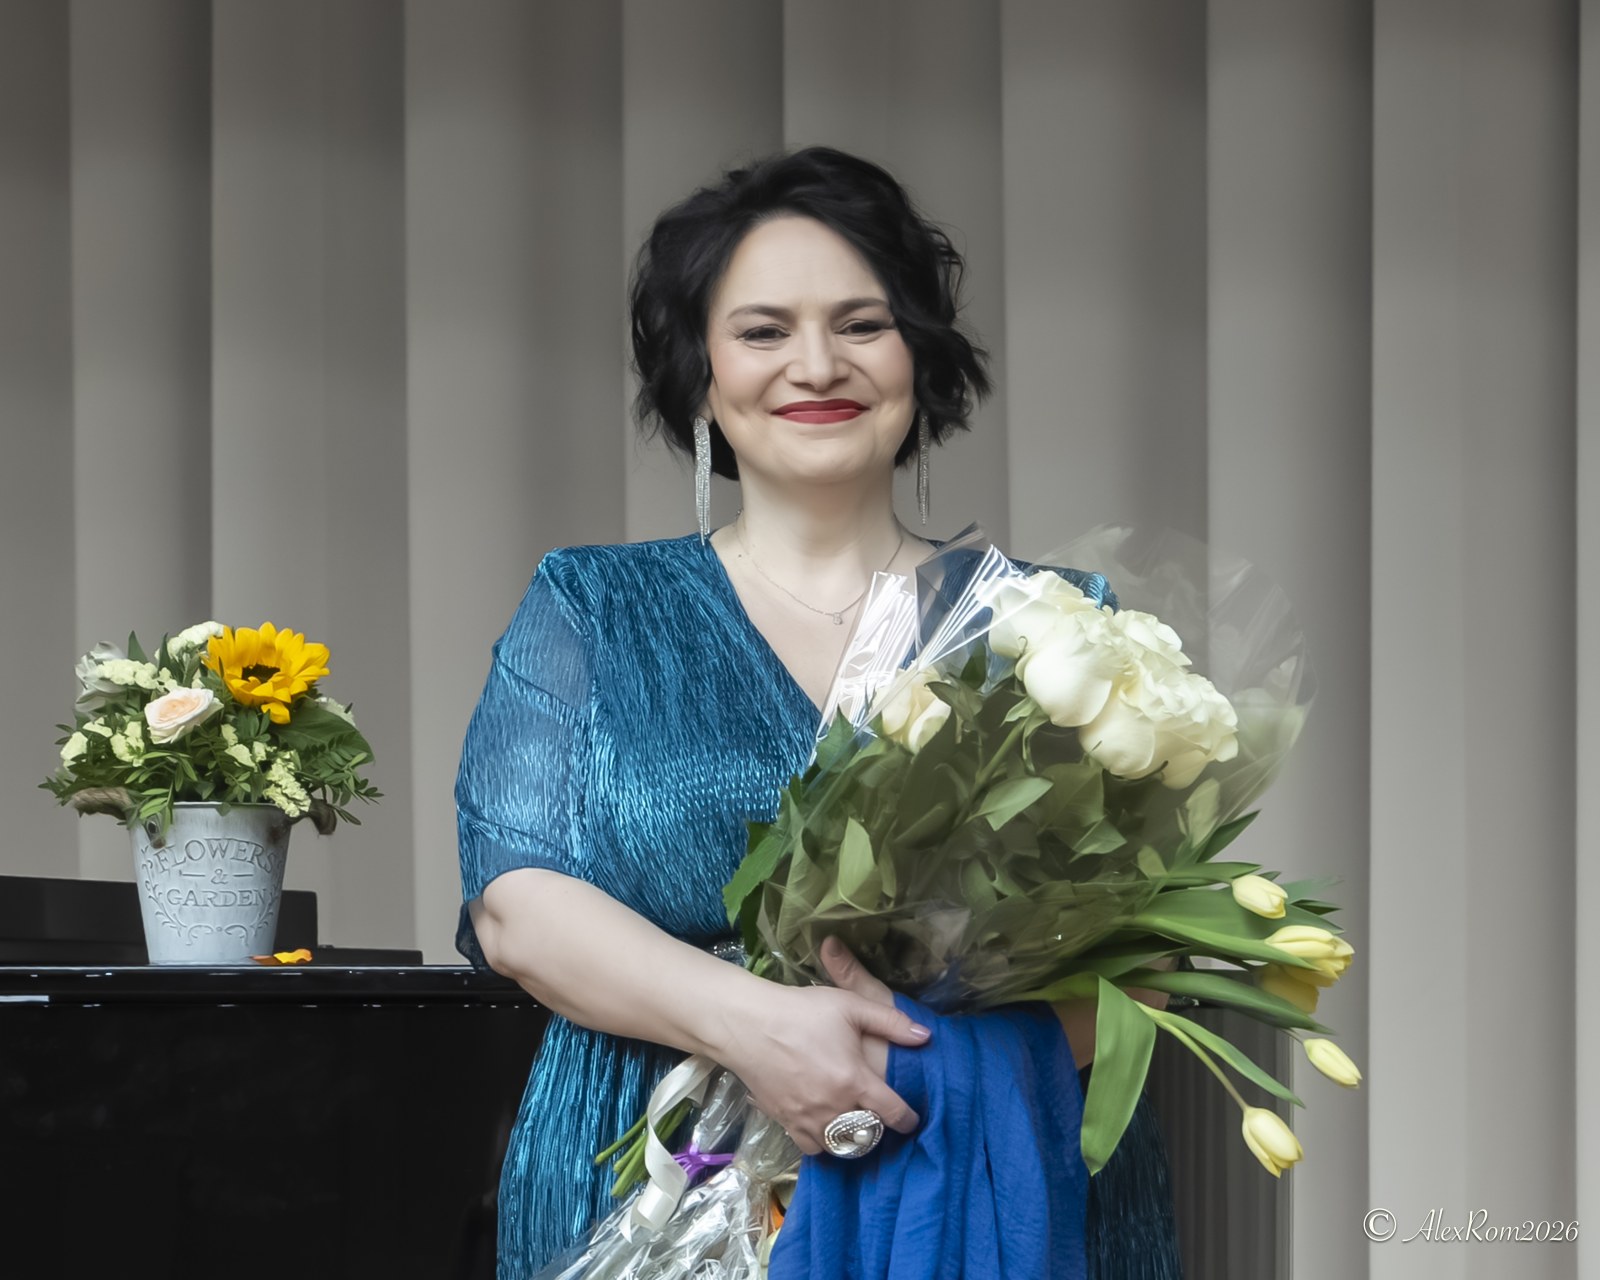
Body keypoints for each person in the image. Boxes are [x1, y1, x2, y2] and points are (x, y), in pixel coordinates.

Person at [456, 147, 1182, 1278]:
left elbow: (1146, 951)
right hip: (652, 1171)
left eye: (861, 324)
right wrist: (757, 1026)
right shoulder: (592, 605)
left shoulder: (1058, 626)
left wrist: (910, 1067)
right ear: (699, 374)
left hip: (988, 1168)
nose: (816, 364)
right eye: (762, 331)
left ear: (918, 355)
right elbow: (517, 905)